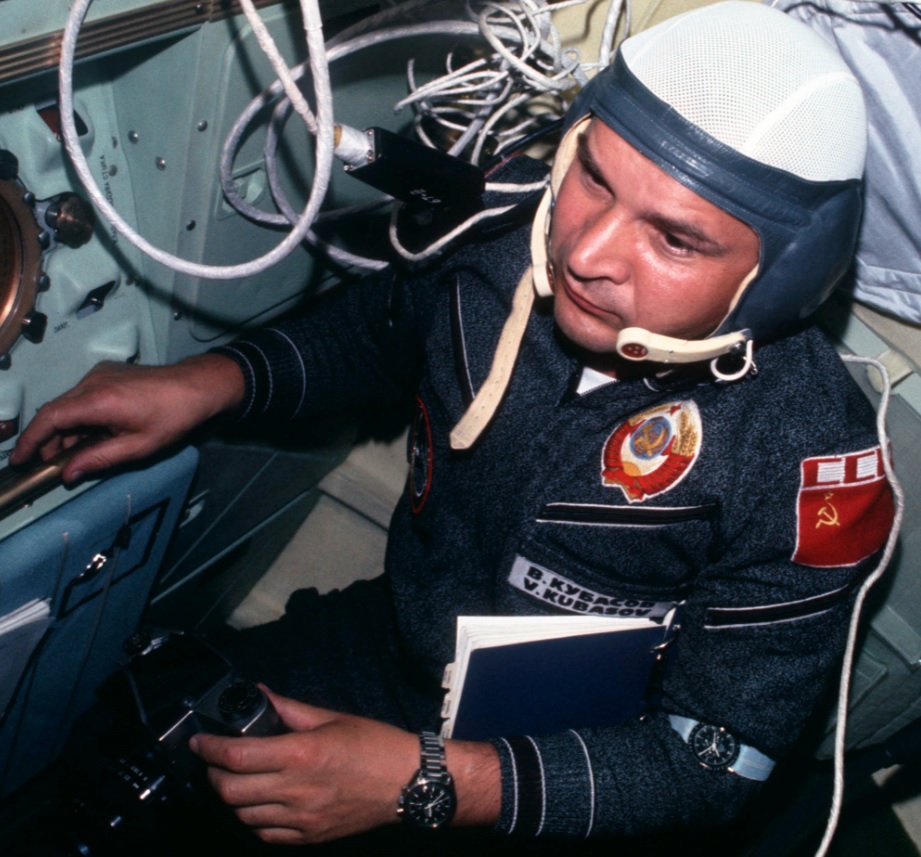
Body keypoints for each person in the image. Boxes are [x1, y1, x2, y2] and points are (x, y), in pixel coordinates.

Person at [10, 1, 896, 850]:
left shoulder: (806, 458)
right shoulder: (502, 248)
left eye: (673, 239)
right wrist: (212, 380)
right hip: (396, 649)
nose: (586, 253)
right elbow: (378, 333)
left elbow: (711, 762)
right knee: (135, 738)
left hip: (581, 757)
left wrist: (426, 781)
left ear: (780, 276)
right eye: (594, 177)